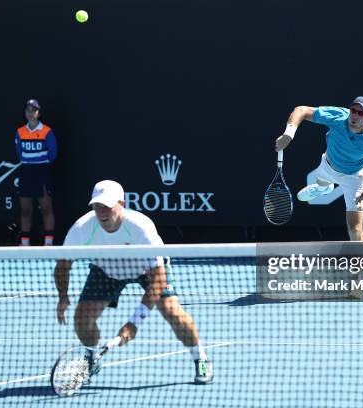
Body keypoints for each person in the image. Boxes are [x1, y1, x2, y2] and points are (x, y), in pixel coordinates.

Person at [53, 180, 214, 384]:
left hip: (145, 270)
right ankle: (92, 357)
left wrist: (133, 323)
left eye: (107, 206)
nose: (101, 212)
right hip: (106, 270)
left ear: (121, 203)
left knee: (172, 311)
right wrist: (63, 297)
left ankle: (200, 357)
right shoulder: (82, 228)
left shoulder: (140, 228)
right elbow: (62, 266)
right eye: (97, 206)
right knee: (82, 320)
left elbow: (158, 278)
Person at [275, 96, 363, 241]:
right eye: (353, 110)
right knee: (322, 182)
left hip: (355, 177)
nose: (354, 115)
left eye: (361, 113)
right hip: (328, 166)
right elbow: (301, 110)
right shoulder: (338, 117)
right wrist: (289, 134)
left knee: (355, 228)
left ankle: (359, 263)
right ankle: (323, 188)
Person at [14, 99, 57, 246]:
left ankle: (48, 243)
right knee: (25, 210)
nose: (30, 113)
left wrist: (41, 164)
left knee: (46, 208)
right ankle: (25, 243)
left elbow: (52, 154)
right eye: (28, 110)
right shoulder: (20, 132)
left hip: (42, 172)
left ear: (39, 113)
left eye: (33, 110)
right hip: (26, 172)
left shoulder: (47, 131)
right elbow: (19, 153)